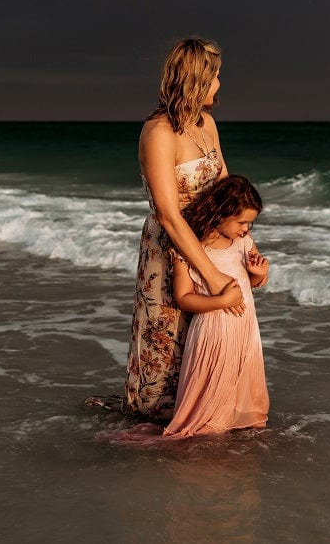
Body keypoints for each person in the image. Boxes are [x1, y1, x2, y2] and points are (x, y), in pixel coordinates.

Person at [123, 36, 244, 421]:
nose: (220, 85)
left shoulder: (205, 123)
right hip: (171, 248)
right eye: (216, 76)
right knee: (169, 338)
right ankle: (159, 428)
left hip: (212, 244)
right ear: (197, 78)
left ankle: (206, 415)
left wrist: (246, 251)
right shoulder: (158, 133)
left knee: (209, 338)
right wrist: (210, 273)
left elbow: (227, 190)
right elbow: (168, 214)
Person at [163, 175, 270, 438]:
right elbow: (184, 298)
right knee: (214, 386)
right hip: (213, 330)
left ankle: (241, 420)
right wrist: (221, 301)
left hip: (245, 327)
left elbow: (256, 282)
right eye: (242, 222)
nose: (246, 229)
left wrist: (258, 274)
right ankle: (211, 428)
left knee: (242, 379)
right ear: (220, 212)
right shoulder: (192, 249)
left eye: (250, 223)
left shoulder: (243, 242)